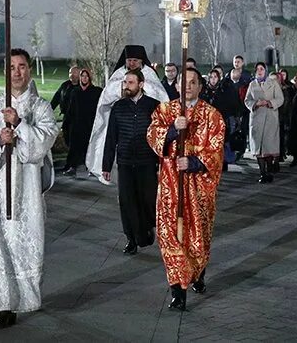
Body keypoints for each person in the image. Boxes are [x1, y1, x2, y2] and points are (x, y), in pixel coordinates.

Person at [0, 48, 59, 328]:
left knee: (27, 242)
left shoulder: (40, 107)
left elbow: (45, 142)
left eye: (22, 66)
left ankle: (27, 297)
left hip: (27, 189)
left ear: (29, 70)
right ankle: (5, 302)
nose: (17, 72)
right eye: (11, 67)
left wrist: (19, 125)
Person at [146, 68, 225, 311]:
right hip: (171, 187)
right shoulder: (165, 111)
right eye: (184, 82)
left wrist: (194, 162)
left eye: (193, 82)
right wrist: (171, 131)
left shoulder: (212, 116)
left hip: (198, 190)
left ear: (201, 87)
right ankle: (177, 292)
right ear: (177, 85)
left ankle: (197, 272)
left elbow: (216, 150)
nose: (188, 87)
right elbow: (151, 134)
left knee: (197, 237)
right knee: (170, 235)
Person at [86, 45, 169, 184]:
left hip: (145, 131)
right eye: (129, 60)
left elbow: (161, 97)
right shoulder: (119, 74)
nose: (131, 63)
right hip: (123, 130)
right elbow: (106, 96)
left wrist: (141, 88)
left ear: (141, 61)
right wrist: (122, 88)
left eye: (135, 60)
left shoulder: (149, 74)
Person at [102, 69, 161, 256]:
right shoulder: (118, 107)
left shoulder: (154, 106)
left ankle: (146, 230)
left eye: (130, 83)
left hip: (147, 162)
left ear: (141, 84)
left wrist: (162, 163)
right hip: (125, 161)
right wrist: (106, 165)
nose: (126, 86)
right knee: (127, 202)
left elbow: (160, 136)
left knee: (147, 200)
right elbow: (111, 137)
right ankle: (131, 239)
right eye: (125, 83)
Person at [244, 62, 284, 183]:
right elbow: (247, 100)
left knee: (268, 145)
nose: (259, 71)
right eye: (257, 69)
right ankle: (262, 173)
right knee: (258, 147)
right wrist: (256, 104)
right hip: (257, 118)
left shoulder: (273, 83)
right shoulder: (252, 84)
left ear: (265, 70)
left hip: (270, 118)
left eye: (261, 69)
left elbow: (280, 98)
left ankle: (269, 169)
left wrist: (269, 103)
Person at [65, 69, 102, 174]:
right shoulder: (75, 91)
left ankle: (91, 168)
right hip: (76, 124)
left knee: (89, 147)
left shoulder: (95, 91)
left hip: (89, 124)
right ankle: (72, 166)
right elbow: (70, 109)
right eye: (82, 76)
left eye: (86, 76)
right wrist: (67, 123)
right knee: (74, 146)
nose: (84, 78)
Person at [50, 66, 80, 173]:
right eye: (70, 73)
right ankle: (74, 162)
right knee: (67, 139)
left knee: (73, 141)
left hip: (77, 119)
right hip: (66, 118)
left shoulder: (82, 87)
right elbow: (56, 98)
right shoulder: (65, 86)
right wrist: (49, 110)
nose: (72, 75)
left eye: (75, 73)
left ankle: (71, 165)